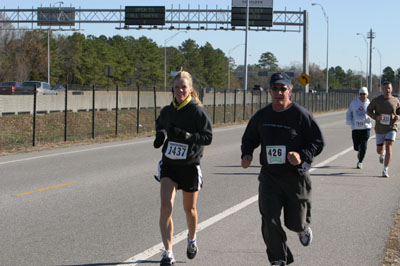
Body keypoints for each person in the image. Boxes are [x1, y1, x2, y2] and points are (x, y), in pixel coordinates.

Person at [241, 72, 324, 266]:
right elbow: (249, 138)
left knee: (295, 222)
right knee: (269, 218)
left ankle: (302, 228)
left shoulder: (301, 115)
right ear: (269, 91)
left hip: (295, 177)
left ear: (290, 91)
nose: (279, 92)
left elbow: (318, 141)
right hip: (270, 177)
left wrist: (301, 155)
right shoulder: (262, 116)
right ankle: (278, 258)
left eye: (283, 89)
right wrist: (247, 154)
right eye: (275, 89)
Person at [153, 70, 213, 265]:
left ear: (190, 89)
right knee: (165, 208)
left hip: (189, 165)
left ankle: (192, 238)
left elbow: (208, 137)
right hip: (170, 165)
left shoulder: (197, 111)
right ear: (173, 88)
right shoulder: (167, 111)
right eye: (177, 87)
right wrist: (160, 135)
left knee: (190, 210)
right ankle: (168, 252)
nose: (180, 90)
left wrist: (189, 137)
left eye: (183, 87)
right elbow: (161, 125)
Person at [367, 81, 400, 177]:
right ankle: (382, 153)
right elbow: (368, 110)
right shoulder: (377, 100)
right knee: (379, 150)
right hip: (380, 128)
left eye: (389, 88)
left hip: (391, 127)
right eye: (385, 88)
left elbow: (399, 113)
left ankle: (385, 169)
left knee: (389, 146)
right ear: (382, 90)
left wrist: (398, 117)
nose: (387, 90)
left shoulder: (396, 100)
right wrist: (376, 117)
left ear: (391, 89)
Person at [346, 87, 372, 169]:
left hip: (366, 127)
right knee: (356, 147)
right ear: (359, 94)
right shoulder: (354, 103)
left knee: (364, 145)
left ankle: (360, 162)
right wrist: (349, 120)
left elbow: (373, 113)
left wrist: (370, 118)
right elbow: (349, 112)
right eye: (361, 94)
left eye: (364, 94)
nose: (362, 95)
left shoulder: (370, 104)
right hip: (356, 128)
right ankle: (359, 151)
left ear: (367, 95)